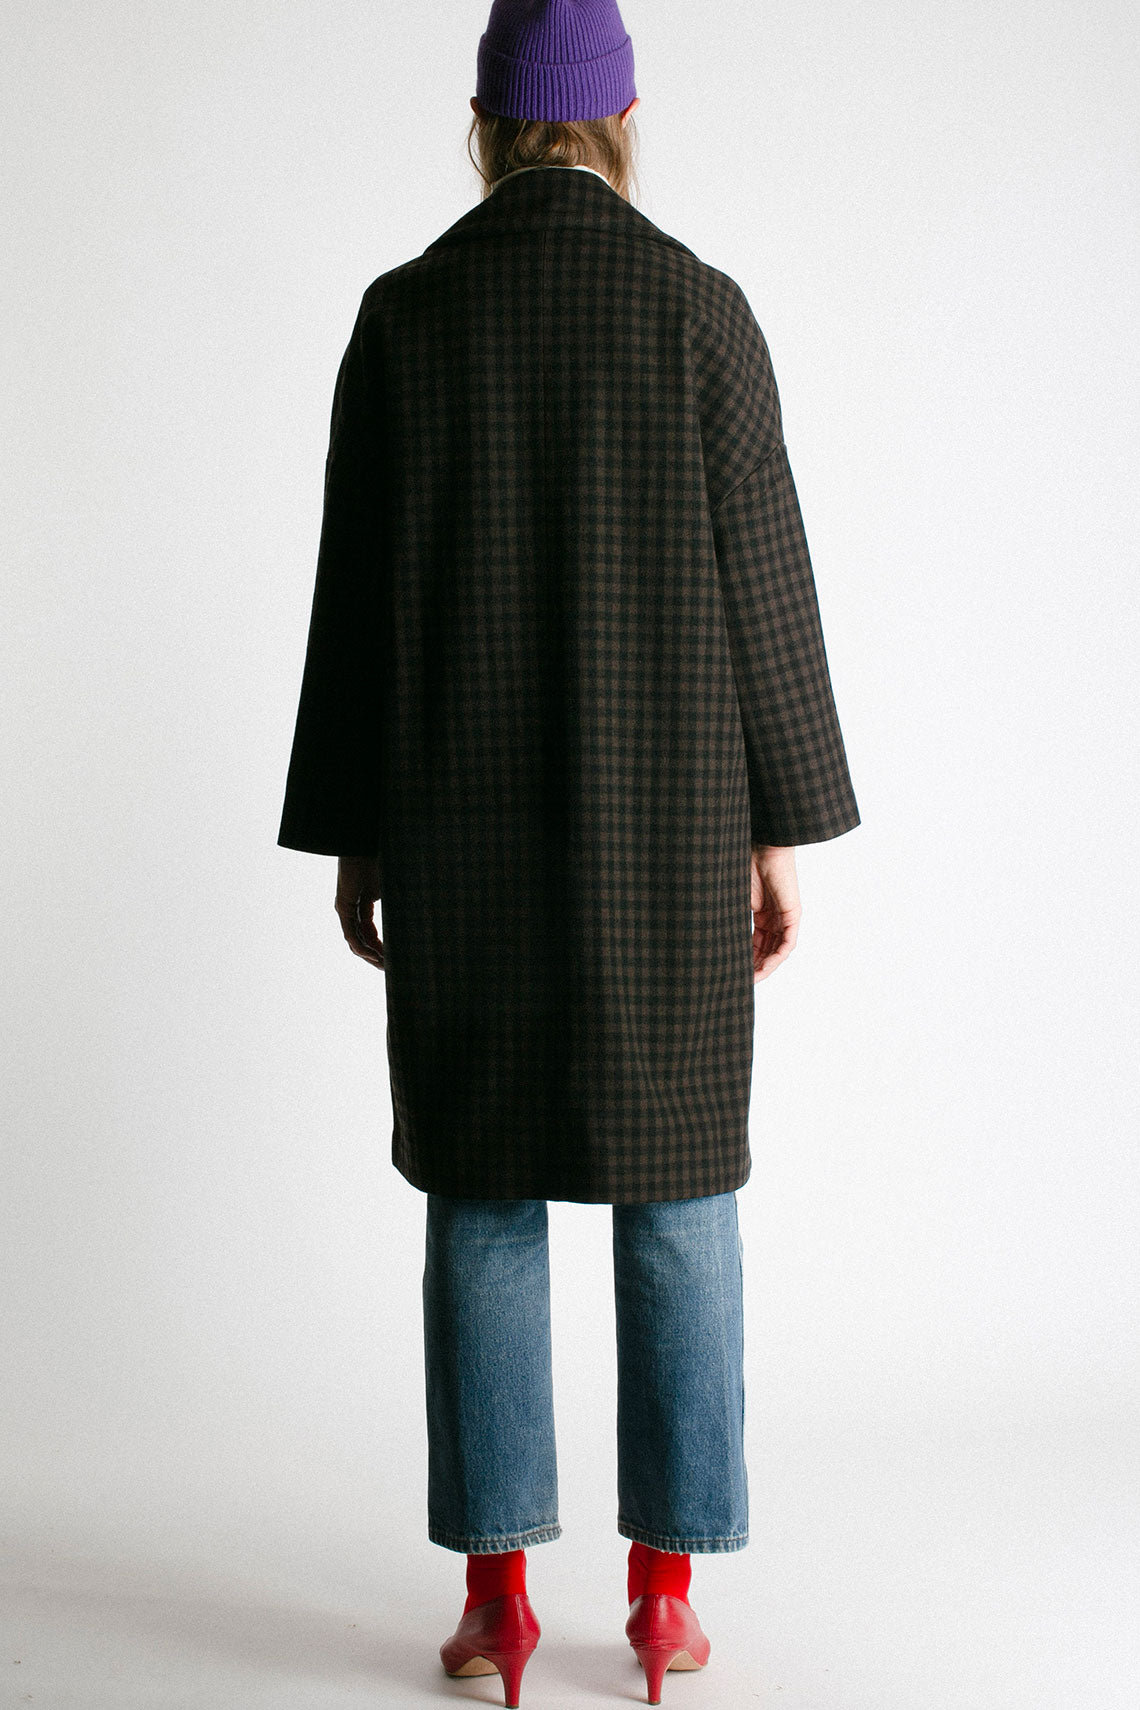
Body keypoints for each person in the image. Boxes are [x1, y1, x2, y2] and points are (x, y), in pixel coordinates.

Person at [276, 1, 861, 1702]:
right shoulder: (701, 310)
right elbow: (767, 587)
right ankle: (665, 1603)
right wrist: (779, 831)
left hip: (455, 830)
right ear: (622, 116)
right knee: (678, 1195)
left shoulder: (405, 318)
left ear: (484, 122)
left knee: (482, 1194)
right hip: (668, 833)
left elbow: (354, 603)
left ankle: (497, 1606)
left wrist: (356, 835)